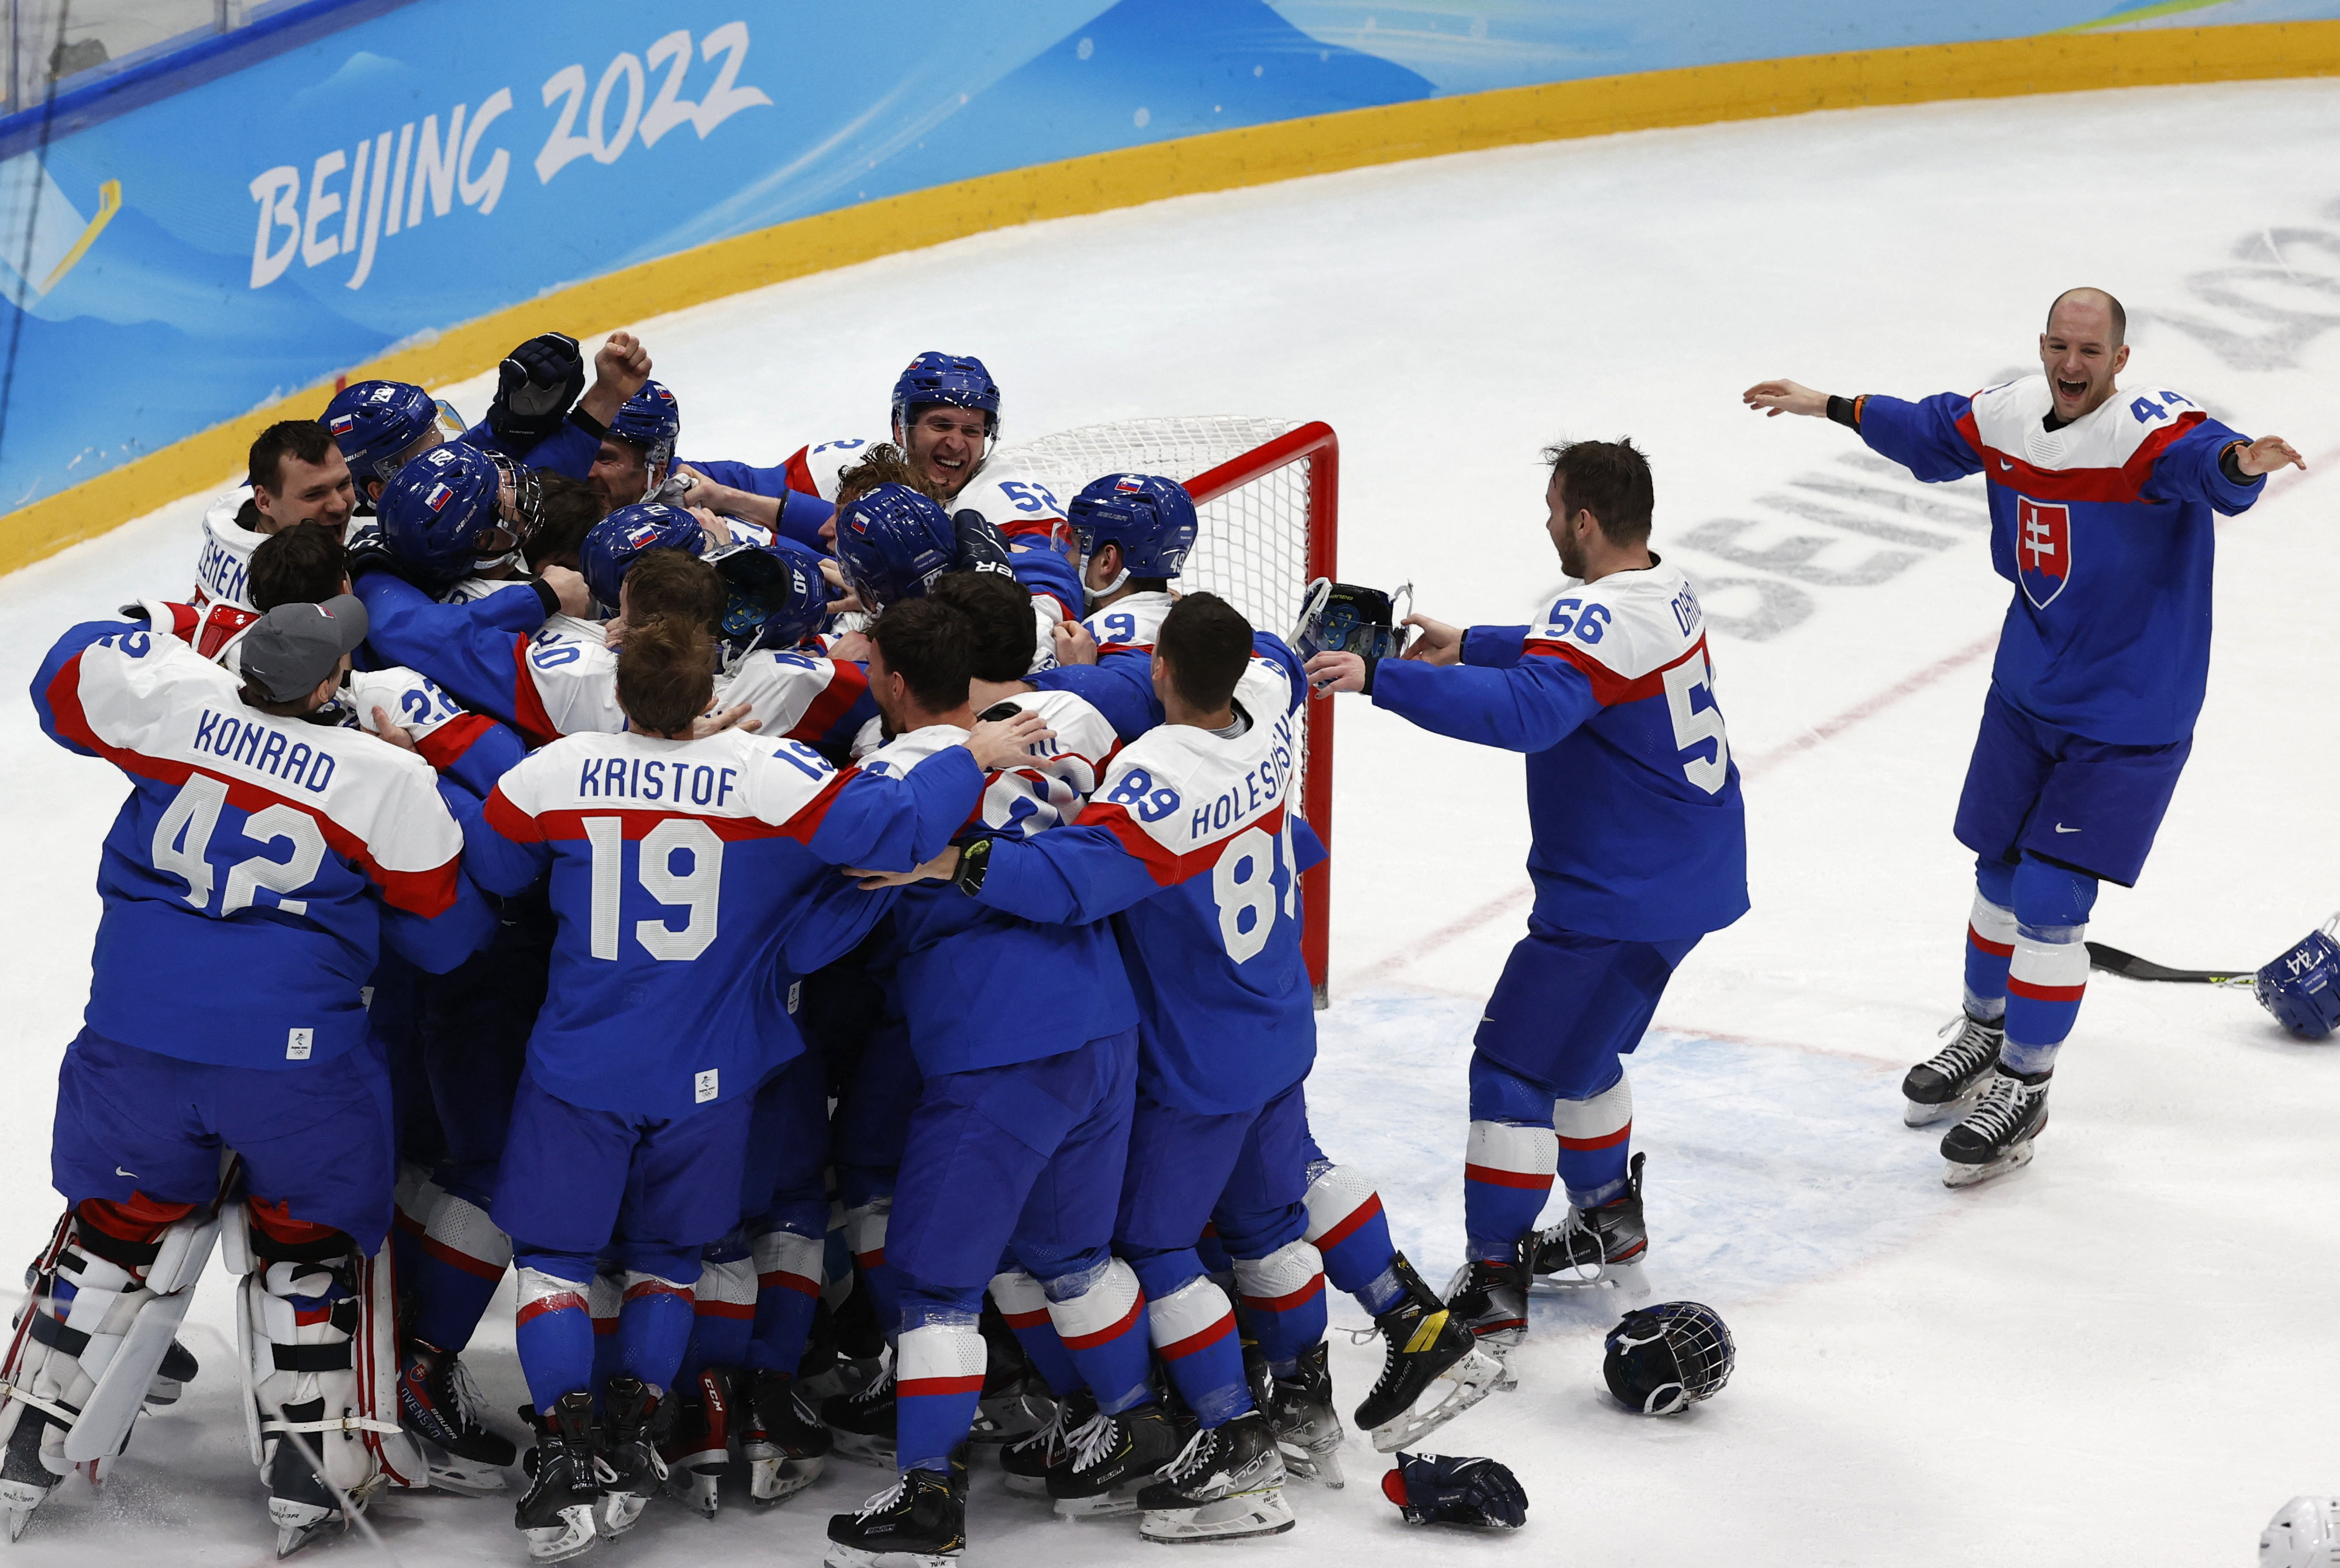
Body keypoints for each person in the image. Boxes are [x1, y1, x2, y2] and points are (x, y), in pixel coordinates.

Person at [461, 611, 1048, 1561]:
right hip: (710, 1072)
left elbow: (489, 868)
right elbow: (888, 831)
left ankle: (572, 1449)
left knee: (558, 1262)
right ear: (710, 692)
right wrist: (970, 750)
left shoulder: (551, 771)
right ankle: (635, 1421)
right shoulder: (765, 770)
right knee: (669, 1254)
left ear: (621, 691)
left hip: (580, 1065)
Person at [1742, 286, 2303, 1185]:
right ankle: (1984, 1032)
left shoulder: (2149, 432)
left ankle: (2027, 1085)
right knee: (1997, 872)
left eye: (2091, 352)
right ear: (2043, 345)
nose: (2071, 365)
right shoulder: (2011, 413)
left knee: (2048, 895)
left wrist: (2243, 464)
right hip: (2027, 691)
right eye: (2060, 346)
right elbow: (1934, 431)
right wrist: (1834, 405)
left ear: (2121, 361)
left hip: (2128, 714)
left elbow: (2210, 465)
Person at [12, 595, 493, 1553]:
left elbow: (59, 679)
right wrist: (429, 776)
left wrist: (143, 627)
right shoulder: (385, 776)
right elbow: (451, 939)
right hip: (295, 1073)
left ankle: (24, 1429)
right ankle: (311, 1467)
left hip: (130, 1045)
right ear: (327, 685)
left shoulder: (179, 707)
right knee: (310, 1240)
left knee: (112, 1227)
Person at [1307, 437, 1749, 1355]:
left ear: (1583, 519)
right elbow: (1569, 654)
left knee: (1513, 1070)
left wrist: (1382, 676)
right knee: (1581, 1056)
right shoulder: (1663, 587)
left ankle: (1496, 1281)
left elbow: (1529, 711)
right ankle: (1607, 1221)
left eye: (1554, 509)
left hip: (1617, 898)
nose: (1548, 523)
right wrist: (1467, 644)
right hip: (1684, 875)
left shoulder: (1596, 618)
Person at [817, 592, 1151, 1568]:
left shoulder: (895, 774)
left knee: (935, 1276)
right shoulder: (1042, 728)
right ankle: (1131, 1422)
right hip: (1101, 1027)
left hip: (1000, 1046)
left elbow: (838, 879)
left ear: (893, 680)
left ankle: (928, 1498)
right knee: (1072, 1255)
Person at [776, 353, 1072, 547]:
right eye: (941, 426)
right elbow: (735, 485)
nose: (956, 444)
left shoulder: (1003, 504)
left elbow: (1052, 585)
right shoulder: (843, 467)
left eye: (972, 431)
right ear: (900, 430)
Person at [189, 421, 359, 653]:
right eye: (314, 494)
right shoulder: (292, 578)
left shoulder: (230, 515)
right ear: (265, 501)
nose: (339, 506)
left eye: (343, 484)